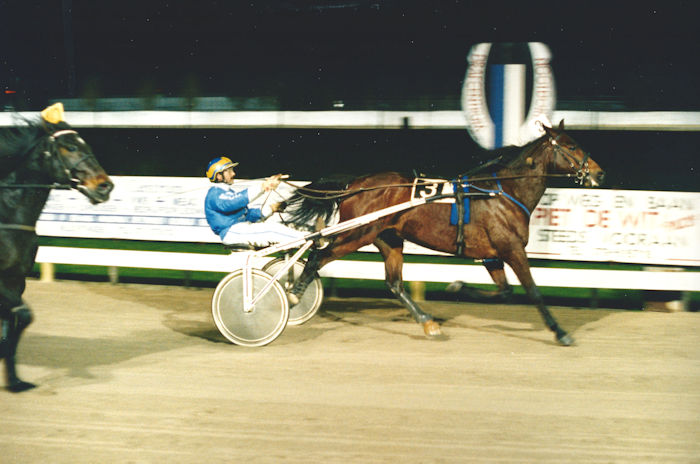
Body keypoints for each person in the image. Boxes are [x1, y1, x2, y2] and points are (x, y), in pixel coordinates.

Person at [204, 156, 306, 248]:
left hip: (239, 229)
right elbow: (233, 203)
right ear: (219, 176)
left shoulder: (227, 193)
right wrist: (264, 186)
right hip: (232, 232)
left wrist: (272, 208)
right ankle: (308, 239)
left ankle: (306, 239)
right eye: (229, 171)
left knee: (275, 227)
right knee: (271, 230)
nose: (233, 173)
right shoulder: (214, 193)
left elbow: (247, 215)